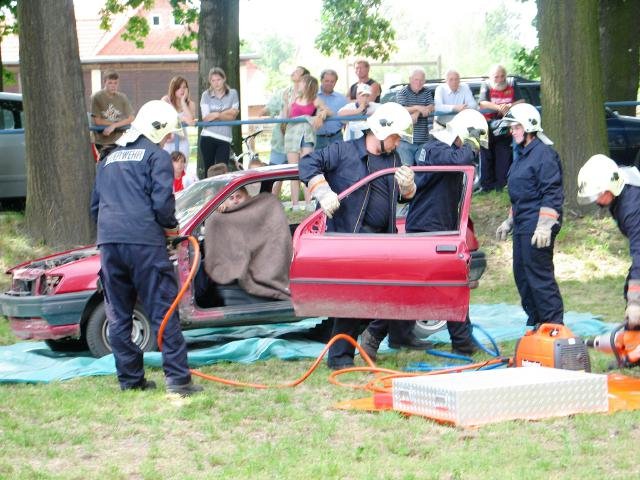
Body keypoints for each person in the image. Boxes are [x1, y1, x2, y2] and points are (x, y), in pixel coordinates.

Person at [90, 100, 203, 396]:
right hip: (143, 243)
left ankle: (130, 380)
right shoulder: (156, 157)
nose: (168, 140)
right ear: (158, 130)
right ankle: (178, 380)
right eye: (168, 135)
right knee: (163, 308)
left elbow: (94, 207)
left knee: (118, 313)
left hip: (109, 244)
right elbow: (162, 204)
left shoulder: (107, 157)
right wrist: (172, 231)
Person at [360, 110, 488, 360]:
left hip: (440, 231)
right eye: (467, 138)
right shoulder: (434, 150)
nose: (469, 146)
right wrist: (472, 143)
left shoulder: (443, 150)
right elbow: (461, 159)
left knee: (450, 287)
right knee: (413, 290)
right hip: (427, 232)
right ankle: (373, 336)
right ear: (460, 134)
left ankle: (450, 341)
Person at [299, 102, 417, 370]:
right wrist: (323, 191)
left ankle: (367, 340)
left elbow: (401, 196)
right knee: (352, 302)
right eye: (397, 137)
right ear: (383, 132)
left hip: (381, 240)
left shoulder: (394, 159)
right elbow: (307, 163)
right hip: (349, 240)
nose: (398, 143)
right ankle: (340, 359)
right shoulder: (343, 151)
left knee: (391, 295)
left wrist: (408, 188)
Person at [494, 103, 564, 327]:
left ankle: (553, 326)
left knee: (540, 279)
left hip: (537, 228)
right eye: (512, 128)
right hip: (523, 226)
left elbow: (552, 193)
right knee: (522, 277)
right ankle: (537, 322)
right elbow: (521, 194)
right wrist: (509, 220)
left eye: (515, 127)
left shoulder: (544, 156)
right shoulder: (523, 156)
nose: (512, 131)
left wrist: (545, 226)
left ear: (529, 127)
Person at [576, 154, 640, 329]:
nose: (595, 200)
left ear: (609, 187)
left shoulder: (632, 206)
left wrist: (635, 302)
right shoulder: (621, 191)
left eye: (597, 194)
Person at [204, 188, 292, 305]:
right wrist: (216, 208)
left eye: (238, 196)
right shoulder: (222, 217)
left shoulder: (258, 212)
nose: (235, 201)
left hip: (261, 266)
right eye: (231, 198)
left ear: (248, 197)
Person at [283, 74, 330, 210]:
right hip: (292, 135)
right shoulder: (294, 97)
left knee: (307, 168)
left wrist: (321, 115)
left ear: (308, 85)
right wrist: (286, 103)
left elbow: (326, 110)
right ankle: (295, 204)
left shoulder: (315, 100)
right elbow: (287, 116)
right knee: (293, 169)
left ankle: (309, 202)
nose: (299, 84)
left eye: (302, 82)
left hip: (307, 135)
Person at [478, 64, 523, 192]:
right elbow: (482, 103)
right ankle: (486, 187)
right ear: (491, 77)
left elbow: (522, 101)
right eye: (496, 77)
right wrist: (499, 107)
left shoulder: (512, 84)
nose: (500, 79)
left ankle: (500, 186)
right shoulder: (486, 85)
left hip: (504, 125)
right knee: (485, 156)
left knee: (503, 155)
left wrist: (508, 105)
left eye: (502, 76)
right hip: (485, 126)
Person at [200, 67, 240, 174]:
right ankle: (208, 191)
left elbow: (233, 116)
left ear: (224, 79)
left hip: (224, 138)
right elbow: (205, 118)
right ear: (210, 82)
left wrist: (215, 114)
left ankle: (221, 191)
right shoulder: (205, 95)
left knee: (222, 171)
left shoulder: (233, 93)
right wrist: (224, 113)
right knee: (208, 171)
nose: (216, 83)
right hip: (207, 136)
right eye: (213, 80)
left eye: (218, 80)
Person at [396, 69, 435, 166]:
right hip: (405, 141)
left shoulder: (427, 92)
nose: (418, 82)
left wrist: (417, 113)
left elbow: (431, 106)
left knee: (422, 169)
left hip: (423, 141)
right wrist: (418, 107)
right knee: (406, 171)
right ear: (410, 79)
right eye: (416, 79)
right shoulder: (402, 92)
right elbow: (401, 109)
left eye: (421, 80)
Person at [90, 70, 134, 154]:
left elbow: (131, 118)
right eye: (110, 83)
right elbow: (97, 121)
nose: (113, 86)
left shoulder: (122, 97)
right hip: (102, 140)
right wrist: (115, 124)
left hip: (119, 139)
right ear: (104, 82)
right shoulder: (97, 97)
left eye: (115, 83)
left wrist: (114, 125)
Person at [162, 76, 197, 159]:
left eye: (184, 87)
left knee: (181, 169)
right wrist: (183, 119)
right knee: (166, 168)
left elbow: (191, 121)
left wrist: (183, 101)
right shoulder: (166, 100)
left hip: (182, 142)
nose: (182, 90)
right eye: (178, 87)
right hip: (167, 142)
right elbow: (165, 118)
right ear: (173, 89)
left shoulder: (190, 104)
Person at [315, 69, 348, 150]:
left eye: (332, 81)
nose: (329, 83)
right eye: (326, 81)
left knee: (337, 162)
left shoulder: (342, 99)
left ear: (335, 82)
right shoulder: (312, 96)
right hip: (316, 139)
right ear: (321, 80)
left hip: (336, 138)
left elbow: (346, 122)